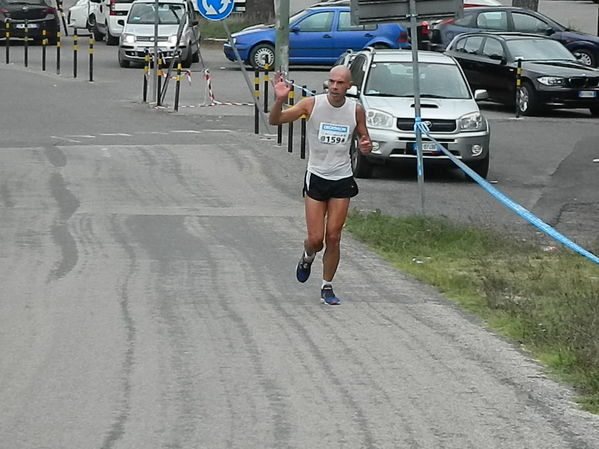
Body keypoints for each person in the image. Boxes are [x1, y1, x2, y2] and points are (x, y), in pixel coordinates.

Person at [269, 66, 372, 305]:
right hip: (317, 176)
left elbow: (365, 141)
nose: (335, 87)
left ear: (349, 86)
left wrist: (367, 147)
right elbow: (275, 121)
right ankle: (307, 256)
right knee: (316, 239)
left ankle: (327, 286)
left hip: (342, 178)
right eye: (332, 82)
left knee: (334, 237)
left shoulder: (355, 111)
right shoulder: (311, 104)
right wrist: (280, 100)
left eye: (340, 83)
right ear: (328, 84)